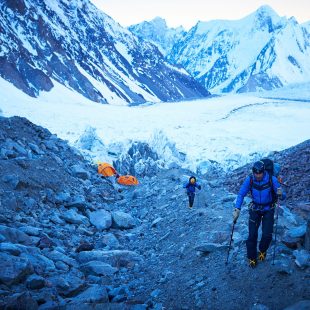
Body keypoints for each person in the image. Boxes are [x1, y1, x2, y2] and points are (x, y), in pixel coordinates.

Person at [233, 160, 286, 268]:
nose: (257, 175)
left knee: (267, 235)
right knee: (252, 235)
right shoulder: (250, 179)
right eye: (255, 173)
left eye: (259, 173)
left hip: (268, 209)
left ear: (264, 171)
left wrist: (281, 194)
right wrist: (237, 208)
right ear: (253, 172)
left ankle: (262, 250)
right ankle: (252, 257)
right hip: (255, 209)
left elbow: (282, 195)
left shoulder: (272, 179)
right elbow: (241, 193)